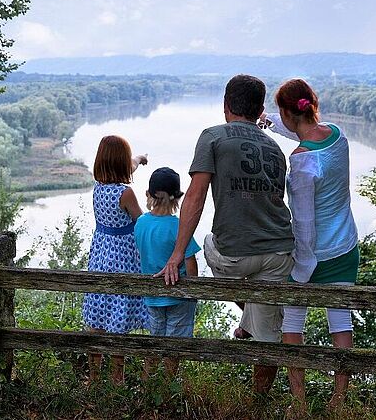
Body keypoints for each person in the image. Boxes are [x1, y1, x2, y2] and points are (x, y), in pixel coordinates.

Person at [156, 74, 295, 394]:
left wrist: (177, 255)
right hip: (279, 253)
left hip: (233, 256)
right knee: (267, 336)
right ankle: (259, 400)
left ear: (225, 105)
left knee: (208, 243)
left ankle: (250, 319)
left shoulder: (213, 137)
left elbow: (195, 195)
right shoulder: (275, 148)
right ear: (260, 109)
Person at [260, 78, 359, 413]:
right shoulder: (337, 134)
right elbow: (304, 132)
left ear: (289, 113)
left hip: (313, 256)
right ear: (311, 104)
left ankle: (299, 402)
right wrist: (269, 123)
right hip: (345, 247)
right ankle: (339, 401)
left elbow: (304, 225)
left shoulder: (302, 162)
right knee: (340, 323)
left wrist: (302, 268)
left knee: (292, 324)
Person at [82, 134, 149, 384]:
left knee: (99, 314)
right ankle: (116, 377)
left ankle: (95, 376)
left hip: (100, 254)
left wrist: (139, 159)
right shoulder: (126, 193)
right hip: (122, 257)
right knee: (118, 315)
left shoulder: (98, 187)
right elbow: (140, 222)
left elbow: (126, 166)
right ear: (122, 163)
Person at [134, 167, 201, 379]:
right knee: (175, 343)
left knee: (156, 340)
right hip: (178, 296)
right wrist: (194, 291)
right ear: (177, 198)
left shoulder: (141, 223)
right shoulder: (179, 227)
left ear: (149, 194)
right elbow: (190, 263)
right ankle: (168, 382)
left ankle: (148, 381)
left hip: (152, 297)